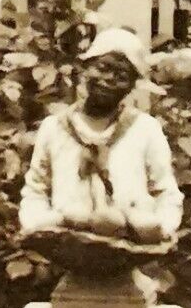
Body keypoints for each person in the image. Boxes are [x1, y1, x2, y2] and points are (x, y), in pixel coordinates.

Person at [19, 28, 182, 244]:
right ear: (86, 68)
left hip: (129, 250)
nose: (108, 80)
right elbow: (35, 191)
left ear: (132, 86)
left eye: (122, 76)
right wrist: (46, 224)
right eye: (102, 68)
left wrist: (158, 228)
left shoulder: (145, 129)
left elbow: (166, 193)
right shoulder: (55, 128)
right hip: (68, 250)